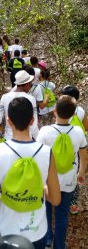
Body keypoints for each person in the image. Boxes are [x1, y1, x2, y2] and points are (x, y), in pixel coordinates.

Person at [0, 97, 61, 249]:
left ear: (9, 121)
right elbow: (56, 199)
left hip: (8, 231)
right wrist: (42, 188)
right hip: (37, 231)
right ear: (32, 121)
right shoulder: (47, 152)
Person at [37, 95, 87, 249]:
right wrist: (81, 173)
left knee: (45, 211)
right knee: (62, 214)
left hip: (47, 181)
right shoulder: (78, 131)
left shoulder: (45, 131)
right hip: (69, 180)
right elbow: (84, 156)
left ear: (54, 112)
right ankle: (59, 245)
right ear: (73, 115)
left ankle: (47, 240)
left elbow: (37, 155)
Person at [0, 70, 39, 140]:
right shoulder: (31, 99)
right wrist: (37, 139)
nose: (30, 86)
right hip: (26, 138)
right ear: (27, 84)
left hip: (9, 138)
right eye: (30, 84)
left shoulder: (4, 97)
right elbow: (34, 123)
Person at [61, 85, 88, 215]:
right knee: (76, 170)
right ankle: (73, 203)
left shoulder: (60, 109)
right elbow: (86, 127)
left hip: (62, 145)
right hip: (78, 144)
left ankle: (57, 196)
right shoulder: (81, 111)